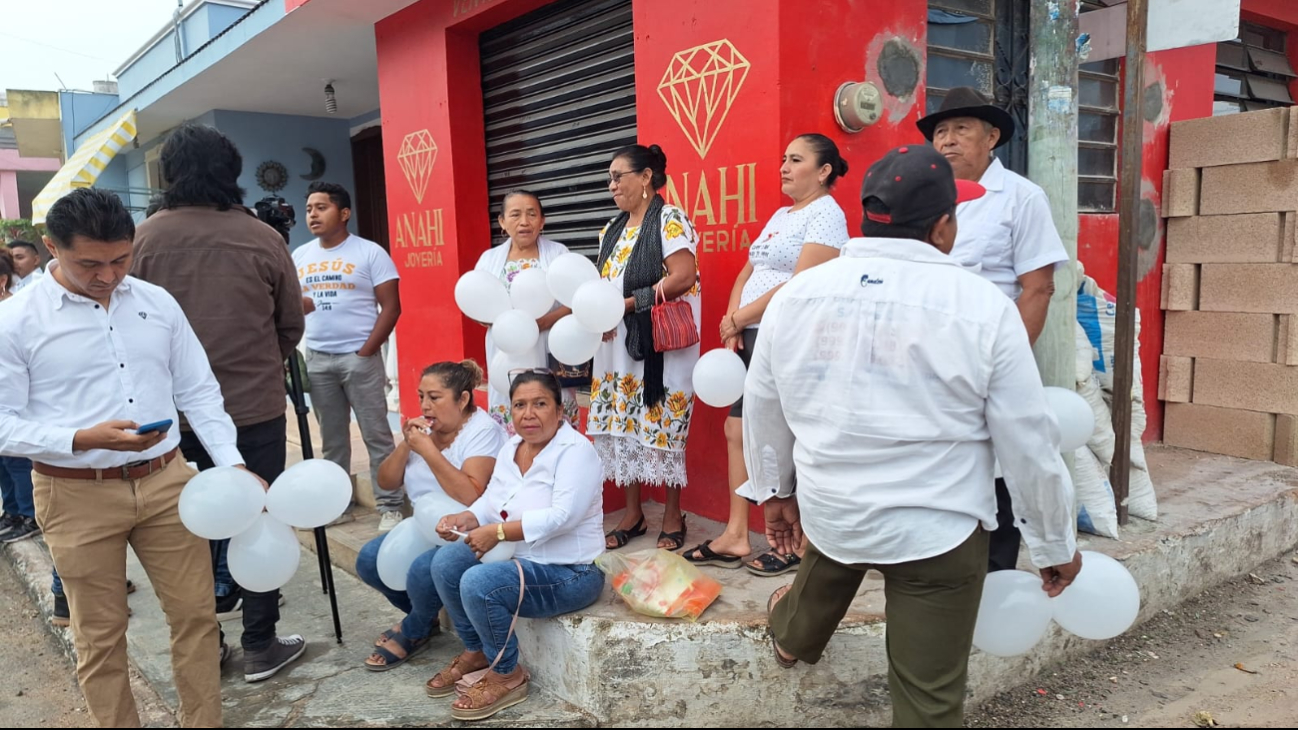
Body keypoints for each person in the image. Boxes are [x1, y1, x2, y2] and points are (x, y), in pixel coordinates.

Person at [745, 145, 1081, 728]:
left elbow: (764, 406)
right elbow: (1028, 440)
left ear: (869, 215)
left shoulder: (796, 297)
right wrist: (1055, 545)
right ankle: (802, 634)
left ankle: (793, 638)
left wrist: (775, 494)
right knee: (930, 702)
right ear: (944, 226)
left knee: (832, 555)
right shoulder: (983, 306)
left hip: (834, 509)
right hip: (939, 529)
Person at [0, 188, 263, 728]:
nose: (108, 275)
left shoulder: (156, 301)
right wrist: (81, 437)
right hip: (74, 492)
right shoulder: (15, 320)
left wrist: (232, 464)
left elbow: (198, 389)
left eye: (121, 258)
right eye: (88, 263)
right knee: (99, 634)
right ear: (52, 247)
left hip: (168, 481)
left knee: (196, 618)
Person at [132, 122, 308, 682]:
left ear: (171, 175)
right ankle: (260, 642)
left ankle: (204, 646)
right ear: (231, 175)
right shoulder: (262, 237)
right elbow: (290, 324)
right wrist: (258, 359)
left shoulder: (144, 238)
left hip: (167, 414)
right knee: (259, 516)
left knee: (181, 529)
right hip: (251, 405)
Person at [917, 87, 1071, 573]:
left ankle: (998, 574)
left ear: (992, 137)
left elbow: (1038, 287)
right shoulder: (930, 201)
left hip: (991, 354)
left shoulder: (1022, 198)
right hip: (930, 358)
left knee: (1001, 463)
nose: (947, 140)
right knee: (941, 462)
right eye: (941, 131)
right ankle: (937, 566)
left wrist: (1008, 359)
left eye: (961, 129)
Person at [682, 133, 850, 576]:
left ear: (824, 170)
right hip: (750, 334)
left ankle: (799, 541)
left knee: (786, 436)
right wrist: (733, 317)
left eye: (796, 160)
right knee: (736, 430)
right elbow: (748, 269)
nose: (784, 167)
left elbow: (802, 282)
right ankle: (737, 534)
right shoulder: (780, 214)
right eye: (783, 159)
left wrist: (743, 318)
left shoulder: (827, 215)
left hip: (789, 337)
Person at [429, 369, 605, 721]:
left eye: (540, 404)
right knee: (446, 564)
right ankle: (478, 650)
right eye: (520, 405)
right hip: (519, 559)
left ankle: (507, 673)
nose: (529, 414)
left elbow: (563, 517)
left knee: (479, 583)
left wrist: (497, 533)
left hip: (570, 572)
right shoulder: (513, 446)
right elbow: (494, 499)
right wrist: (468, 517)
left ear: (560, 410)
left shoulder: (576, 452)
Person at [355, 360, 506, 671]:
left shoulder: (482, 431)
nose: (425, 405)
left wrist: (428, 451)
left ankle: (413, 631)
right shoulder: (424, 435)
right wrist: (406, 446)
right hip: (423, 527)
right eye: (421, 396)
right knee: (369, 561)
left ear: (462, 399)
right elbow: (386, 482)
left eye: (435, 397)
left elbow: (471, 494)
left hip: (469, 528)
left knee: (423, 571)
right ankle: (422, 620)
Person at [589, 144, 701, 552]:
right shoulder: (611, 230)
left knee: (663, 423)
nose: (612, 184)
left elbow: (683, 275)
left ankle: (673, 515)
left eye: (619, 175)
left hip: (659, 343)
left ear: (646, 178)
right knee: (624, 423)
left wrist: (629, 303)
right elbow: (602, 287)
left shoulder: (669, 219)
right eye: (610, 178)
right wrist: (601, 315)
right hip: (617, 344)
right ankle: (633, 513)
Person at [295, 181, 403, 532]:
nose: (313, 214)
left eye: (321, 207)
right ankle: (337, 504)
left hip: (360, 359)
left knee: (377, 436)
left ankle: (390, 506)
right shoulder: (300, 255)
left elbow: (391, 307)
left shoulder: (369, 253)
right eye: (309, 208)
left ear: (344, 213)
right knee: (333, 440)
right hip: (319, 358)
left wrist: (366, 351)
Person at [472, 191, 580, 432]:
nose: (524, 222)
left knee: (551, 403)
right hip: (506, 350)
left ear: (542, 221)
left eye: (532, 214)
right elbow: (476, 304)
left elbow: (576, 299)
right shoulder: (489, 260)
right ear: (501, 222)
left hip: (549, 342)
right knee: (511, 406)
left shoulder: (558, 254)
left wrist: (544, 322)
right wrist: (507, 324)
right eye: (515, 214)